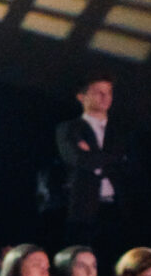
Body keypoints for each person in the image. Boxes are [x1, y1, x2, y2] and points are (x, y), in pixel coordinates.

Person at [46, 74, 134, 249]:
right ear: (82, 97)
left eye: (109, 92)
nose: (105, 97)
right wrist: (113, 157)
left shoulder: (120, 130)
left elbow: (129, 164)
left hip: (117, 207)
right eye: (98, 92)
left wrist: (93, 154)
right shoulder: (69, 128)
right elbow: (78, 159)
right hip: (82, 208)